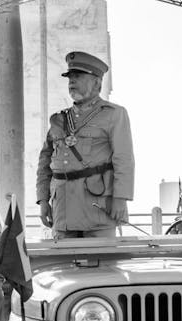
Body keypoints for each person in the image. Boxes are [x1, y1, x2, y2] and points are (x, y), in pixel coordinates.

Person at [36, 51, 135, 239]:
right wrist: (43, 200)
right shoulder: (59, 120)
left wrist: (120, 200)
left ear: (97, 82)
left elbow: (124, 160)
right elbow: (44, 163)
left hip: (98, 210)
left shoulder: (114, 114)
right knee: (63, 267)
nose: (72, 81)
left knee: (102, 267)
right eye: (70, 77)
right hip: (62, 211)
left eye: (79, 76)